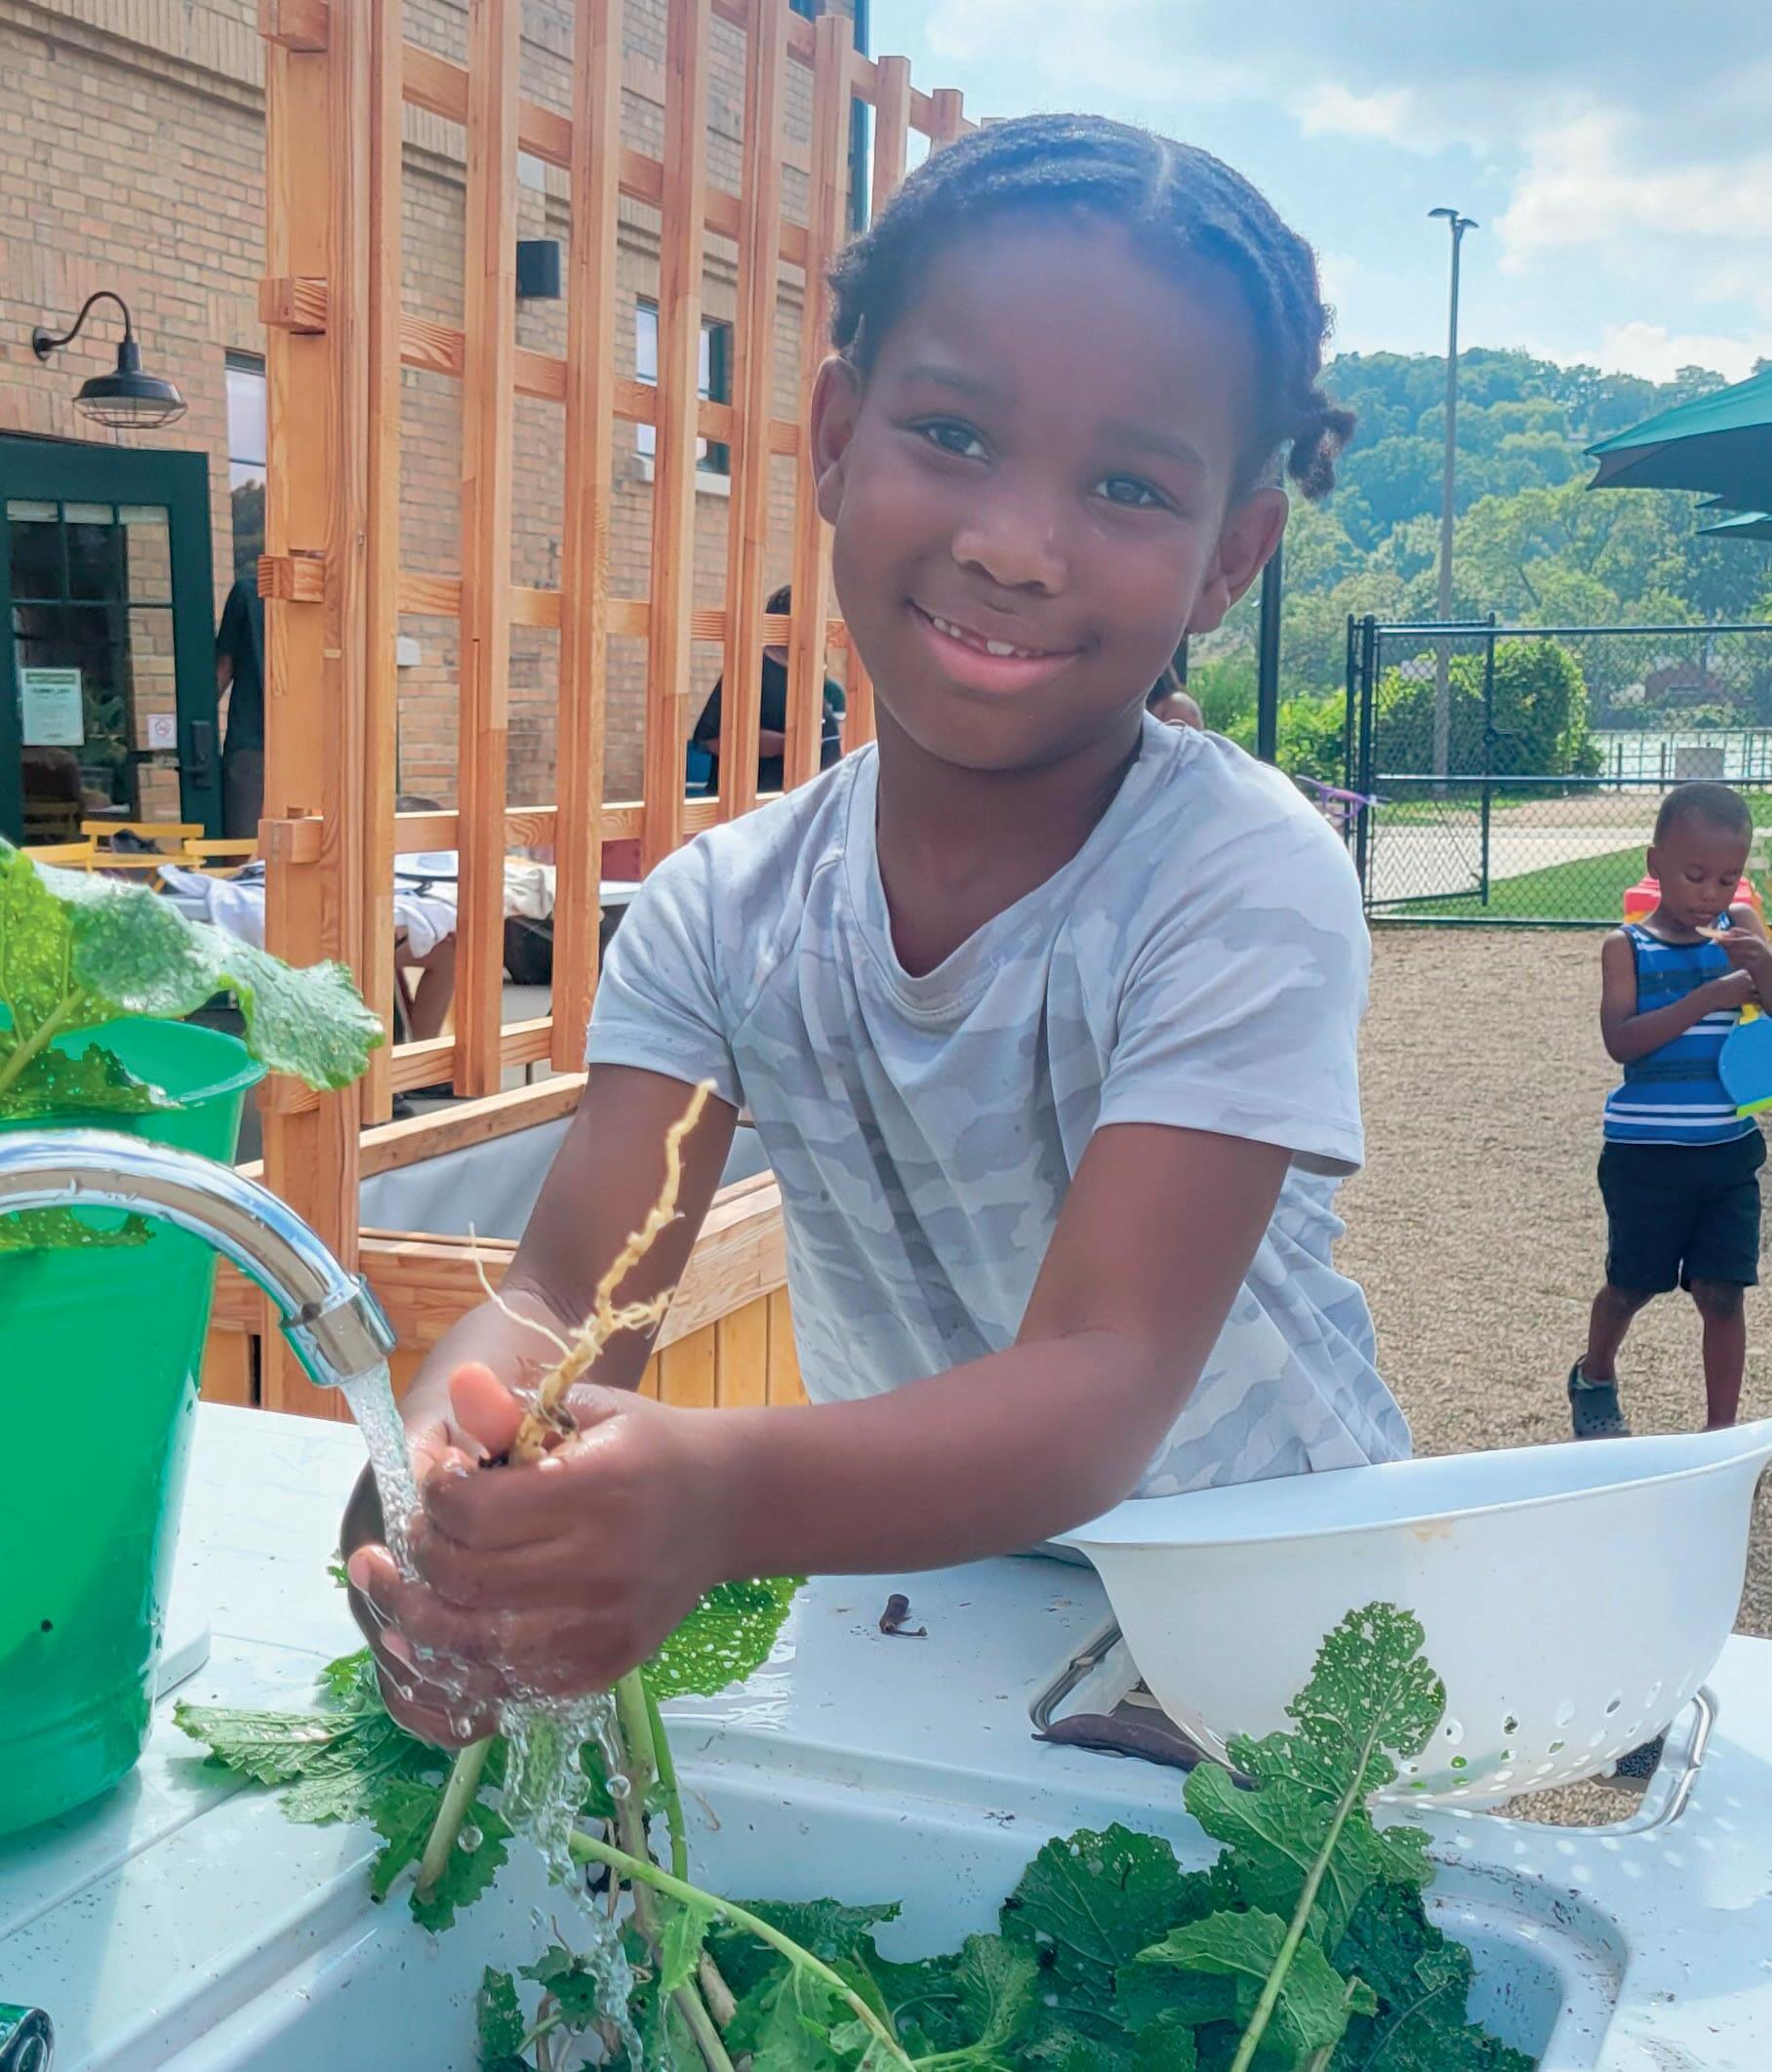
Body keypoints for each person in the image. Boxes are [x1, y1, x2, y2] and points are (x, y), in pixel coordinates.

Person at [346, 112, 1405, 1744]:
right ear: (837, 437)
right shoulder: (723, 911)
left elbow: (1105, 1374)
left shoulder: (1237, 875)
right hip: (928, 1594)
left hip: (1270, 1632)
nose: (1013, 543)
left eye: (1128, 485)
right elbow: (564, 1292)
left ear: (1230, 558)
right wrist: (441, 1466)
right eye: (954, 433)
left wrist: (715, 1493)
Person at [1571, 783, 1772, 1440]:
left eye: (1728, 878)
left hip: (1729, 1152)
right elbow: (1622, 1041)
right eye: (1695, 874)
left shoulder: (1742, 932)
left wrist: (1765, 966)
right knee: (1633, 1284)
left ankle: (1721, 1435)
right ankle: (1595, 1373)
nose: (1711, 893)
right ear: (1655, 863)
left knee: (1723, 1293)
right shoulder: (1626, 945)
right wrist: (1709, 996)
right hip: (1645, 1155)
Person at [690, 583, 845, 794]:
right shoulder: (750, 674)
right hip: (761, 801)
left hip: (813, 800)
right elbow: (712, 739)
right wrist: (787, 744)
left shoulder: (814, 678)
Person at [215, 573, 265, 840]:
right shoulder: (248, 594)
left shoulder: (248, 594)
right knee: (243, 847)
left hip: (254, 745)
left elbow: (223, 669)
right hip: (252, 744)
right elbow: (223, 669)